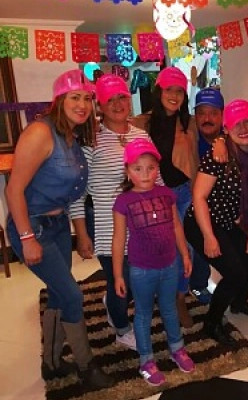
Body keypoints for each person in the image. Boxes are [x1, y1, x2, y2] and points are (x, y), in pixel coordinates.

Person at [5, 69, 114, 389]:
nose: (82, 105)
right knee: (72, 295)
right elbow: (13, 190)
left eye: (87, 98)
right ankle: (86, 366)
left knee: (58, 293)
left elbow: (72, 190)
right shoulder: (40, 132)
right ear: (59, 100)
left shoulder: (72, 136)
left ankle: (51, 364)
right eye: (74, 97)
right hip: (34, 226)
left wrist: (78, 231)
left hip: (57, 226)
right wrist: (26, 238)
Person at [70, 73, 164, 349]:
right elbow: (78, 193)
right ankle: (122, 329)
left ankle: (113, 301)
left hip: (143, 227)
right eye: (109, 99)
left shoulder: (141, 135)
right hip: (109, 229)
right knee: (120, 280)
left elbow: (157, 179)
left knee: (139, 280)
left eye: (122, 97)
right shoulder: (91, 140)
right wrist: (81, 235)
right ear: (99, 105)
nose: (117, 104)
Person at [184, 99, 248, 345]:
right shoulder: (218, 156)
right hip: (201, 224)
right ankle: (211, 323)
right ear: (226, 128)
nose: (243, 128)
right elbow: (199, 197)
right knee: (235, 274)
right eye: (236, 124)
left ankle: (238, 303)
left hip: (227, 223)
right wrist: (209, 237)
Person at [112, 138, 195, 386]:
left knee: (169, 308)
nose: (145, 174)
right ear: (128, 171)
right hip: (141, 270)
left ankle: (177, 347)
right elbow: (118, 239)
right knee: (143, 314)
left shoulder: (167, 194)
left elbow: (177, 226)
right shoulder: (123, 201)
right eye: (138, 169)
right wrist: (118, 274)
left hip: (169, 265)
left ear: (157, 168)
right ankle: (146, 360)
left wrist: (184, 254)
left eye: (150, 168)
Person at [132, 66, 199, 328]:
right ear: (159, 91)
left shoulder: (189, 122)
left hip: (183, 193)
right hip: (154, 196)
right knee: (158, 247)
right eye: (169, 90)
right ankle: (156, 294)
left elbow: (210, 139)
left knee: (185, 248)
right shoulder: (141, 123)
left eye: (179, 91)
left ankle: (179, 297)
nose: (174, 95)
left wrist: (219, 142)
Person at [189, 87, 227, 304]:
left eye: (213, 113)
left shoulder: (230, 139)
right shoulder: (190, 138)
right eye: (202, 113)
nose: (207, 118)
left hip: (224, 208)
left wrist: (221, 140)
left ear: (222, 115)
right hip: (194, 202)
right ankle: (197, 284)